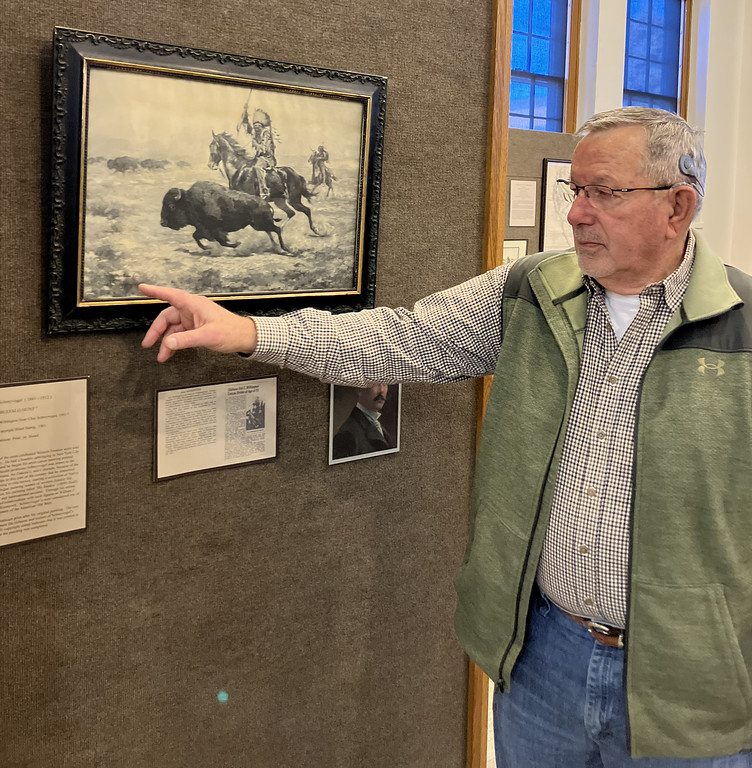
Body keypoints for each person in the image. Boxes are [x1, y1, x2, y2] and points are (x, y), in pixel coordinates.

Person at [139, 107, 752, 766]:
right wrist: (252, 333)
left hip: (690, 686)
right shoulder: (531, 292)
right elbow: (402, 338)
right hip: (541, 660)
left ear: (678, 206)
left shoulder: (742, 331)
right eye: (576, 191)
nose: (576, 213)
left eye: (605, 193)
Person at [332, 384, 395, 459]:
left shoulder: (378, 423)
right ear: (359, 389)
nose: (381, 390)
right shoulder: (347, 435)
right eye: (375, 383)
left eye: (385, 383)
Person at [238, 106, 277, 198]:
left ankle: (264, 191)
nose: (256, 128)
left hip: (267, 158)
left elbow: (265, 149)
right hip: (258, 157)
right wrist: (245, 115)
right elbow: (248, 127)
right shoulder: (255, 133)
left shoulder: (266, 134)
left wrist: (256, 144)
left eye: (258, 126)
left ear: (261, 126)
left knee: (257, 167)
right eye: (255, 126)